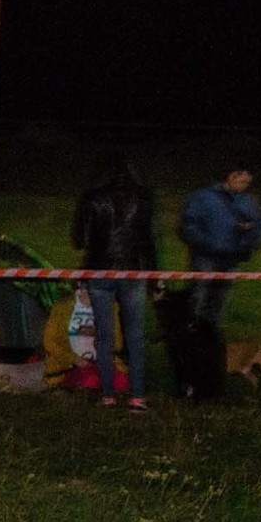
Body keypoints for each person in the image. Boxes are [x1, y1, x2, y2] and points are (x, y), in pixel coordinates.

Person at [70, 156, 156, 410]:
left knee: (104, 336)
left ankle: (107, 394)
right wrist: (154, 278)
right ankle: (137, 396)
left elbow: (79, 240)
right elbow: (147, 241)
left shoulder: (92, 198)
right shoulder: (142, 198)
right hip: (132, 272)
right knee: (135, 336)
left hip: (99, 272)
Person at [179, 166, 261, 329]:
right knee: (196, 295)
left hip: (232, 259)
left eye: (248, 183)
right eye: (243, 182)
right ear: (232, 177)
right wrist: (205, 243)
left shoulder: (249, 201)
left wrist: (248, 236)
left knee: (220, 300)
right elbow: (188, 225)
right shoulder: (203, 197)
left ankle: (211, 332)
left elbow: (259, 226)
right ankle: (186, 329)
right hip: (205, 257)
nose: (245, 186)